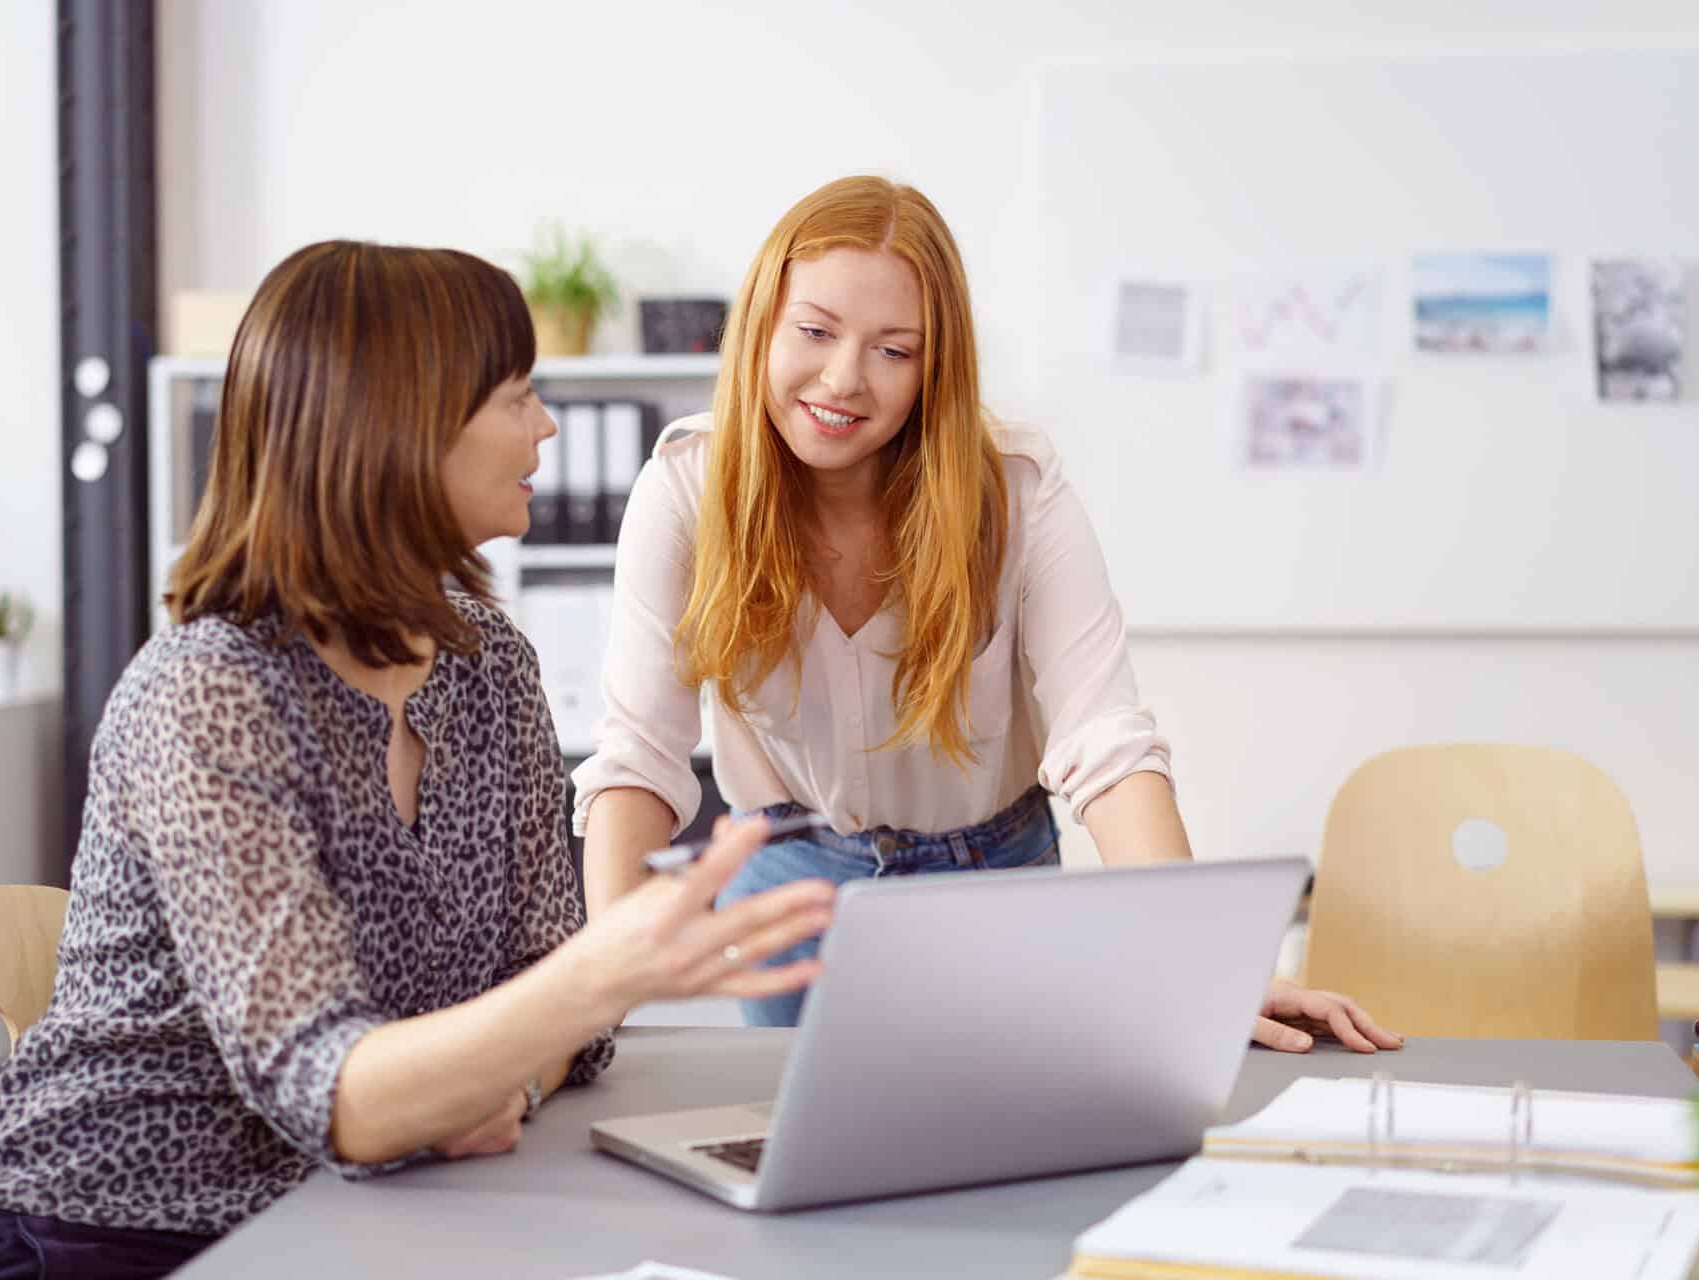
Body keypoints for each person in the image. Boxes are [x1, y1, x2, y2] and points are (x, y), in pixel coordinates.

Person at [0, 241, 833, 1280]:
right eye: (517, 395)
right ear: (398, 423)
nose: (547, 426)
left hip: (344, 1216)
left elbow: (540, 992)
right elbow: (336, 1091)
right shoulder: (207, 694)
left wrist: (505, 1082)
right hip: (97, 1237)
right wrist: (597, 977)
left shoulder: (488, 669)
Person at [574, 176, 1400, 1050]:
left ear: (938, 367)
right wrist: (594, 996)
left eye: (895, 350)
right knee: (792, 1159)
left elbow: (1105, 742)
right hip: (790, 885)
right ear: (761, 325)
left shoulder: (1014, 490)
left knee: (1002, 1160)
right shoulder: (685, 490)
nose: (844, 379)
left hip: (993, 875)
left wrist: (1201, 969)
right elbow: (640, 755)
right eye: (814, 331)